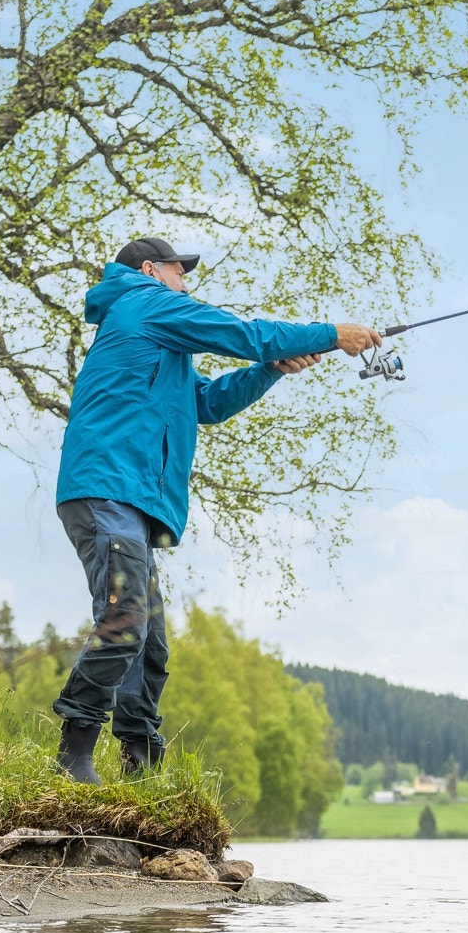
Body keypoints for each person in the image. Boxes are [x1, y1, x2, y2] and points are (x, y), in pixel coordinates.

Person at [51, 236, 379, 782]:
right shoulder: (144, 301)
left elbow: (206, 404)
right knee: (124, 618)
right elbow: (240, 333)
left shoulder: (157, 334)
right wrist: (331, 334)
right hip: (106, 487)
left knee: (148, 642)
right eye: (182, 272)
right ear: (153, 270)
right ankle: (72, 754)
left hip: (131, 498)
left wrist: (271, 369)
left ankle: (140, 769)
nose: (187, 284)